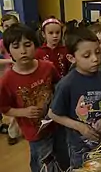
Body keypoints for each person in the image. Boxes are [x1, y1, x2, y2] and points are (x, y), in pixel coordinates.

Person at [0, 23, 63, 172]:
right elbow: (4, 108)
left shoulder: (48, 67)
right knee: (42, 162)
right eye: (16, 47)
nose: (23, 51)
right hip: (34, 131)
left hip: (57, 123)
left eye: (27, 45)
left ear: (35, 46)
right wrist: (23, 112)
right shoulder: (7, 80)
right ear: (8, 51)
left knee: (61, 157)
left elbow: (58, 86)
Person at [48, 27, 101, 169]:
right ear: (71, 58)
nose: (95, 59)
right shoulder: (67, 84)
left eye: (97, 53)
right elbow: (53, 114)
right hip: (80, 147)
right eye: (87, 56)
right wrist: (79, 126)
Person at [0, 14, 19, 145]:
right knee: (10, 106)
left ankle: (14, 130)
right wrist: (10, 60)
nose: (9, 29)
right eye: (6, 26)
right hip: (7, 77)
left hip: (20, 76)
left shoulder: (22, 41)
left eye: (12, 26)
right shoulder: (2, 43)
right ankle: (12, 132)